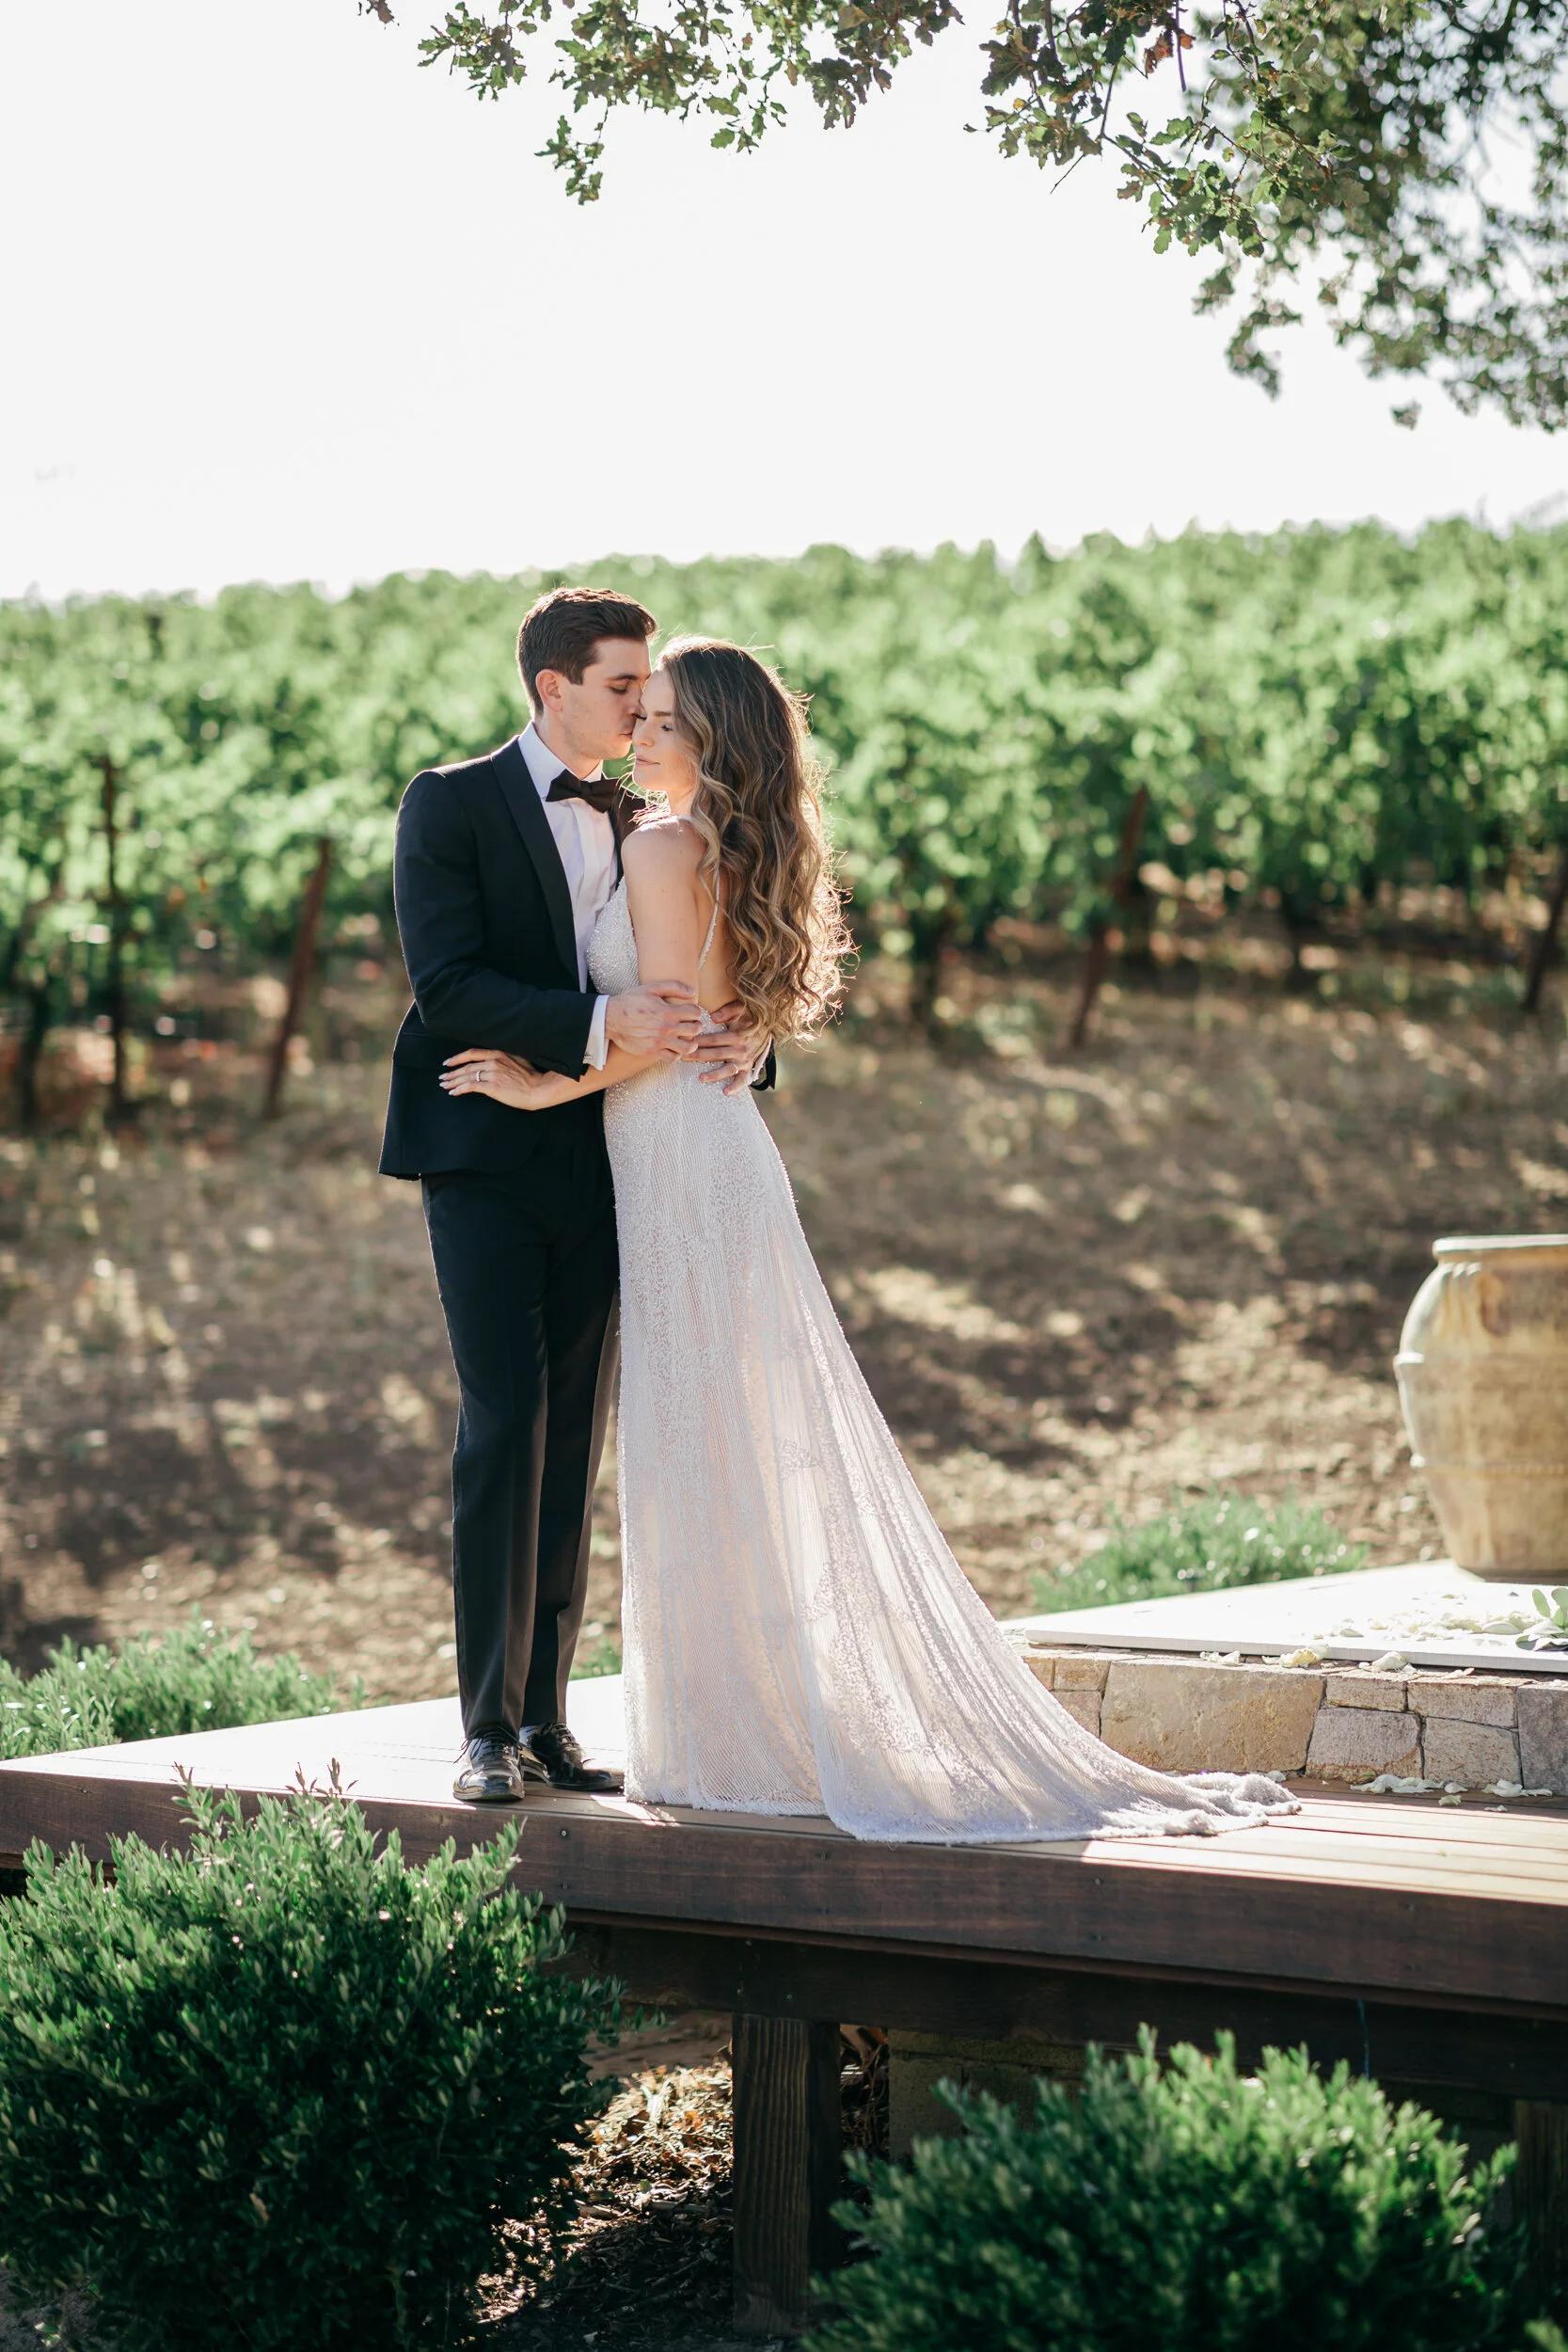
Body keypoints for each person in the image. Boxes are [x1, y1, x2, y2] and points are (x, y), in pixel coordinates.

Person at [441, 640, 1295, 1842]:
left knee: (699, 1439)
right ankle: (736, 1722)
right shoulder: (726, 841)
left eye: (666, 716)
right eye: (639, 706)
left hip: (677, 1151)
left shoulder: (659, 842)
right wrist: (721, 1032)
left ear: (711, 739)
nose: (641, 731)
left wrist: (541, 1087)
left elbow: (666, 1027)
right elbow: (719, 1009)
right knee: (722, 1437)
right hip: (705, 1149)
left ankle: (725, 1733)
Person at [382, 590, 768, 1804]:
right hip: (487, 1153)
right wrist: (605, 1024)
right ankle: (485, 1730)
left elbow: (711, 962)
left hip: (616, 1157)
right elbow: (448, 986)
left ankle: (549, 1719)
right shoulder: (448, 802)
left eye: (648, 688)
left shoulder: (656, 819)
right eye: (621, 685)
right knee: (503, 1427)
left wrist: (743, 1041)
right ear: (551, 686)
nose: (642, 707)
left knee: (572, 1441)